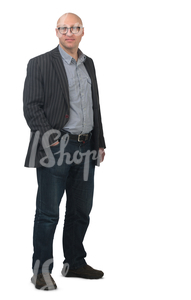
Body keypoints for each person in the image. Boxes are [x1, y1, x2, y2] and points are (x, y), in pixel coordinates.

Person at [23, 12, 106, 290]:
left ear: (83, 31)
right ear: (56, 32)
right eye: (63, 28)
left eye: (74, 28)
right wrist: (50, 139)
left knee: (81, 210)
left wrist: (100, 141)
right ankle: (41, 270)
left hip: (86, 146)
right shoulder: (40, 63)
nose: (69, 32)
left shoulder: (88, 64)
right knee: (48, 213)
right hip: (57, 147)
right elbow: (31, 106)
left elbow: (94, 106)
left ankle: (75, 263)